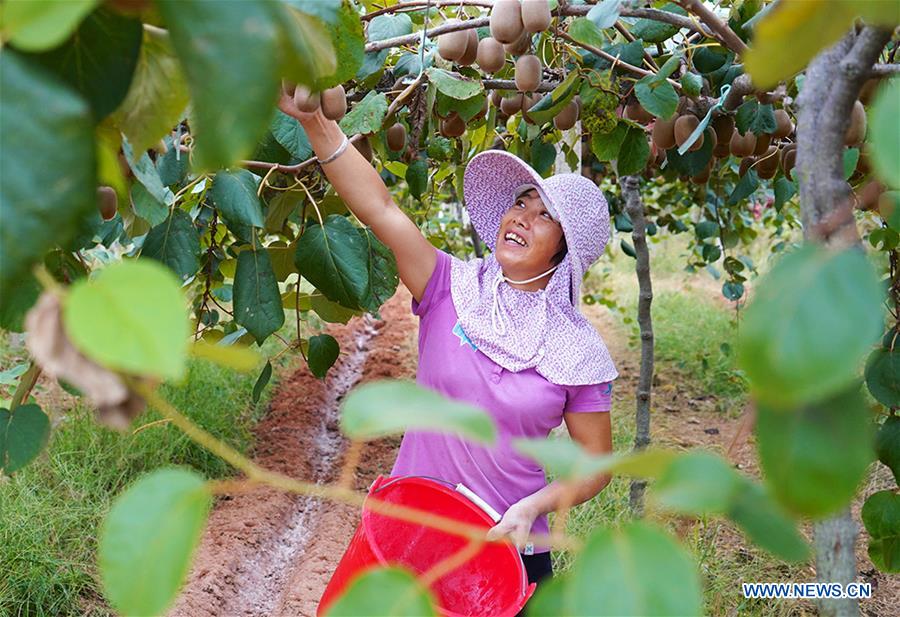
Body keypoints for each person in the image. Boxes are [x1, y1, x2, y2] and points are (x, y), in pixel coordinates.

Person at [278, 87, 618, 606]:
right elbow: (382, 210)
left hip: (505, 552)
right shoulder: (450, 288)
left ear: (564, 251)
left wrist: (533, 507)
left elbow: (595, 464)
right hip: (411, 532)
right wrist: (315, 125)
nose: (521, 216)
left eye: (543, 215)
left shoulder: (578, 352)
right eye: (519, 203)